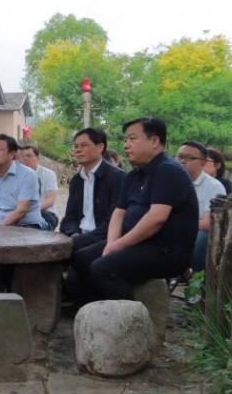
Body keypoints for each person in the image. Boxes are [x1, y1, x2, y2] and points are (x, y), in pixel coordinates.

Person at [71, 117, 199, 301]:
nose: (126, 145)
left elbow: (157, 218)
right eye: (125, 140)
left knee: (104, 267)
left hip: (165, 250)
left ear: (154, 141)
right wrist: (112, 243)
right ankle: (96, 305)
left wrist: (119, 245)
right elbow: (119, 213)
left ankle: (130, 316)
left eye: (132, 139)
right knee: (82, 257)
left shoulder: (168, 170)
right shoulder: (134, 175)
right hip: (138, 244)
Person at [0, 134, 46, 291]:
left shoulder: (28, 175)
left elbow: (21, 210)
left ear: (12, 154)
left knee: (6, 269)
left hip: (26, 226)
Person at [59, 128, 127, 254]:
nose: (78, 150)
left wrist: (81, 240)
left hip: (105, 238)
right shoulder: (76, 181)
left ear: (100, 147)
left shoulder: (117, 177)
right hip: (79, 236)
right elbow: (69, 218)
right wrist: (74, 234)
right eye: (76, 146)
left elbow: (113, 220)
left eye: (84, 145)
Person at [176, 141, 226, 274]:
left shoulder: (214, 187)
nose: (183, 161)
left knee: (201, 237)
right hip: (172, 229)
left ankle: (195, 275)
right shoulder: (170, 182)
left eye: (189, 158)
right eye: (180, 157)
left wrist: (177, 225)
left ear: (203, 163)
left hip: (195, 231)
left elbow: (208, 223)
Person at [19, 145, 59, 231]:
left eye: (29, 156)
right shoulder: (18, 175)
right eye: (23, 156)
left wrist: (31, 210)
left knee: (32, 229)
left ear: (38, 158)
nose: (26, 159)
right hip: (22, 213)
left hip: (45, 212)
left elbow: (50, 200)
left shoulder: (49, 174)